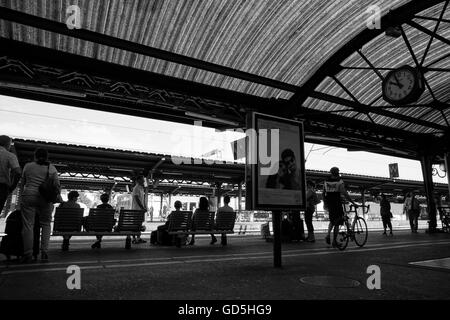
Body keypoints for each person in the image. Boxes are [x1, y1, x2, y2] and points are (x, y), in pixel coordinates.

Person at [20, 148, 60, 262]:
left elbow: (22, 183)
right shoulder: (52, 168)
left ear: (35, 156)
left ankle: (27, 253)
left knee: (28, 225)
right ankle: (44, 252)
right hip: (45, 198)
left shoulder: (28, 166)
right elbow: (56, 185)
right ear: (47, 157)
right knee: (46, 224)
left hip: (29, 195)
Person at [322, 167, 358, 247]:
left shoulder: (326, 181)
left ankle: (328, 235)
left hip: (329, 203)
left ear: (331, 173)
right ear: (337, 173)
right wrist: (352, 202)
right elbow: (344, 193)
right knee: (337, 223)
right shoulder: (339, 181)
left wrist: (325, 203)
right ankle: (334, 241)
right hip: (337, 203)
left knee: (332, 220)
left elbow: (323, 193)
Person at [0, 135, 21, 217]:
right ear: (7, 144)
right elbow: (18, 172)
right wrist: (12, 187)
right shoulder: (9, 155)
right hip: (1, 187)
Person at [131, 175, 147, 244]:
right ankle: (134, 238)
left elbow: (141, 199)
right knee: (135, 224)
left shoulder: (141, 188)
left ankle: (138, 238)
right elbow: (137, 199)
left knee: (139, 224)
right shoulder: (136, 188)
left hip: (140, 210)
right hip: (136, 209)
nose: (143, 181)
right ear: (138, 180)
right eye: (142, 179)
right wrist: (142, 207)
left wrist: (144, 207)